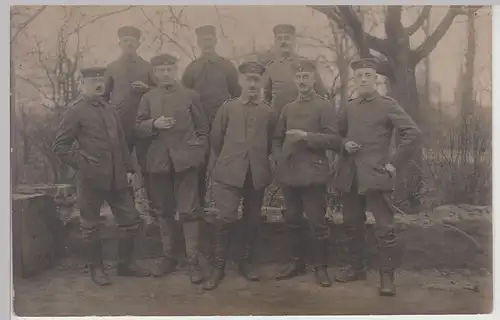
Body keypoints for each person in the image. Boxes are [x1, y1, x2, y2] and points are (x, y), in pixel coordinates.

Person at [295, 57, 421, 296]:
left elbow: (413, 134)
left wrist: (394, 164)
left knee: (384, 228)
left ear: (376, 79)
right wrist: (345, 144)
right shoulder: (349, 107)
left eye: (368, 75)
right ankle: (356, 268)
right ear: (354, 80)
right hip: (350, 176)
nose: (363, 79)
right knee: (352, 224)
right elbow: (336, 136)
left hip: (376, 175)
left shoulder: (388, 105)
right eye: (359, 76)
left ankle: (387, 278)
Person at [53, 67, 151, 286]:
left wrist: (129, 169)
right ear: (82, 84)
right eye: (92, 80)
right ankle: (96, 270)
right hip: (90, 180)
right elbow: (60, 147)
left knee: (130, 220)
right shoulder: (74, 111)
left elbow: (122, 144)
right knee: (90, 225)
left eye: (101, 79)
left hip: (116, 178)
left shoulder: (109, 109)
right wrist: (83, 164)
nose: (98, 84)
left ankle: (124, 265)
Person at [135, 53, 210, 284]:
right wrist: (153, 124)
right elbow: (137, 128)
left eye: (170, 69)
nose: (166, 73)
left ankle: (194, 260)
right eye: (161, 70)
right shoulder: (148, 98)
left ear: (176, 70)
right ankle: (168, 257)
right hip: (158, 163)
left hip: (186, 163)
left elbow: (203, 130)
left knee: (189, 211)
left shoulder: (190, 96)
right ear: (155, 74)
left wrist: (195, 154)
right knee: (163, 210)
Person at [203, 61, 276, 291]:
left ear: (261, 82)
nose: (252, 84)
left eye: (256, 79)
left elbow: (272, 140)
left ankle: (246, 262)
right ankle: (219, 267)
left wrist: (264, 164)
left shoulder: (268, 111)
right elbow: (216, 139)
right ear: (240, 82)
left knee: (252, 220)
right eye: (248, 79)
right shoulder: (228, 108)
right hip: (230, 172)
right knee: (225, 219)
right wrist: (223, 164)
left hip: (256, 174)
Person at [181, 24, 242, 268]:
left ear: (216, 39)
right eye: (202, 38)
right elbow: (184, 98)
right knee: (197, 168)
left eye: (210, 37)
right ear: (198, 42)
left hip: (224, 128)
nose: (206, 41)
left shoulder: (227, 66)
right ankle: (199, 208)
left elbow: (236, 94)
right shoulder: (192, 68)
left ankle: (225, 209)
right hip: (197, 128)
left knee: (224, 168)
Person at [272, 59, 337, 287]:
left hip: (313, 173)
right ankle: (295, 263)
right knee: (292, 220)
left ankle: (321, 267)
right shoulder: (288, 108)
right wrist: (279, 157)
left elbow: (334, 139)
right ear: (294, 80)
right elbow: (277, 138)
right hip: (289, 173)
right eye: (298, 77)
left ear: (313, 79)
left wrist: (307, 137)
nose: (302, 81)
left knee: (318, 222)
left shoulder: (324, 106)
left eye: (306, 76)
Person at [103, 25, 159, 233]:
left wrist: (147, 89)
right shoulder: (112, 68)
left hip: (144, 125)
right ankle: (127, 210)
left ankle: (153, 208)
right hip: (119, 127)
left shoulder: (147, 67)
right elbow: (103, 96)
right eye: (125, 40)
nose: (129, 44)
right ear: (119, 43)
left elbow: (160, 91)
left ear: (138, 44)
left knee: (147, 166)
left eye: (132, 41)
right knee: (122, 168)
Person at [263, 24, 328, 118]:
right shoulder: (271, 68)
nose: (283, 42)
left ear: (294, 41)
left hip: (304, 117)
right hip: (279, 117)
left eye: (287, 38)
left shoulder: (306, 64)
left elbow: (321, 93)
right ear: (275, 42)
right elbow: (267, 99)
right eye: (280, 39)